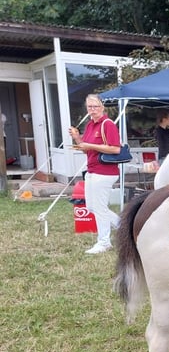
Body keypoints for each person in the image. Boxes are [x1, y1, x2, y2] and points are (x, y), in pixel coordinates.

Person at [68, 94, 122, 254]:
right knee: (92, 207)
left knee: (99, 207)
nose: (92, 110)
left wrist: (89, 144)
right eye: (89, 107)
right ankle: (124, 226)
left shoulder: (108, 124)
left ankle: (104, 242)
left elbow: (116, 149)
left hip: (105, 171)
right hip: (92, 170)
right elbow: (86, 148)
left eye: (95, 106)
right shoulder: (90, 125)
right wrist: (78, 138)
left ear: (102, 107)